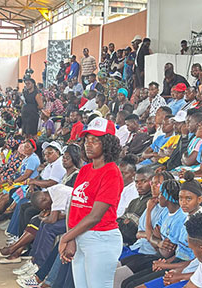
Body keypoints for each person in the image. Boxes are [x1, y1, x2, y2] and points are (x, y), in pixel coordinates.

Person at [59, 117, 123, 288]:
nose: (89, 144)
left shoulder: (112, 172)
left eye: (95, 140)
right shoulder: (85, 169)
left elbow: (95, 216)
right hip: (79, 235)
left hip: (101, 238)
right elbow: (73, 206)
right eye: (87, 140)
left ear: (107, 143)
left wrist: (66, 237)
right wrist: (71, 238)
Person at [118, 165, 153, 245]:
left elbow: (132, 231)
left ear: (152, 181)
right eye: (137, 182)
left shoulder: (151, 202)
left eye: (144, 181)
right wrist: (126, 223)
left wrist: (126, 222)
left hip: (139, 244)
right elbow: (118, 222)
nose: (139, 185)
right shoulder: (134, 202)